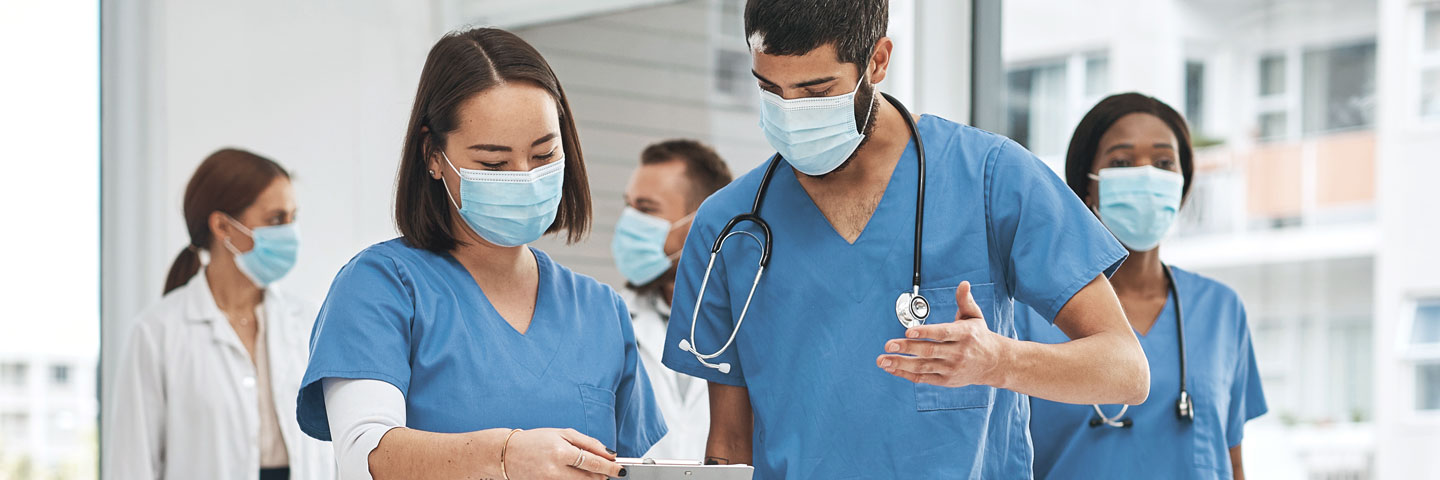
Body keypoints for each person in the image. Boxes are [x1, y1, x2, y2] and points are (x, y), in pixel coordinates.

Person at [660, 1, 1151, 477]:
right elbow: (727, 446)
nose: (790, 113)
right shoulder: (729, 228)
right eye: (770, 89)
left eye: (816, 90)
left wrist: (998, 361)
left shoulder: (991, 178)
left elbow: (1125, 369)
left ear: (877, 60)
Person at [296, 27, 666, 480]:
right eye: (494, 163)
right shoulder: (381, 285)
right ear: (433, 155)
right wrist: (505, 455)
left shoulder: (599, 310)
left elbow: (629, 468)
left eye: (544, 154)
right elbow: (364, 455)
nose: (525, 177)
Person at [1016, 93, 1267, 479]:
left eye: (1165, 162)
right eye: (1121, 162)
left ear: (1182, 183)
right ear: (1088, 185)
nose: (1147, 175)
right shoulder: (1030, 313)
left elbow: (1233, 462)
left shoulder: (1221, 310)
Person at [104, 148, 332, 480]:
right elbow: (132, 465)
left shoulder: (310, 322)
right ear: (223, 227)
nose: (290, 233)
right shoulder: (157, 334)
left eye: (292, 218)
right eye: (276, 219)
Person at [611, 139, 733, 459]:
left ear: (702, 221)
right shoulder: (611, 319)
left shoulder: (753, 321)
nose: (629, 223)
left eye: (646, 209)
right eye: (629, 206)